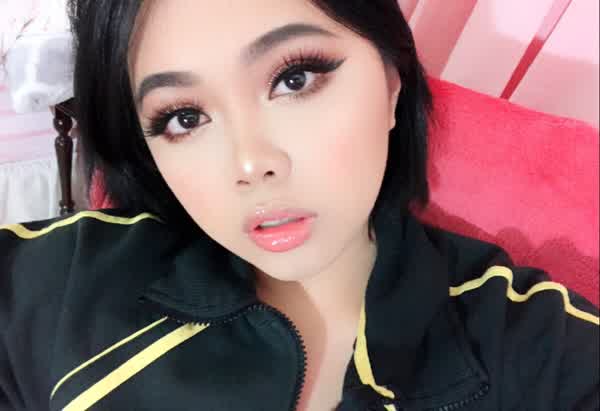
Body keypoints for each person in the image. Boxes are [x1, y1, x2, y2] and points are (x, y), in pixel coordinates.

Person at [0, 1, 598, 410]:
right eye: (184, 117)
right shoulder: (62, 285)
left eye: (294, 79)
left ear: (392, 80)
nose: (250, 163)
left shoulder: (537, 348)